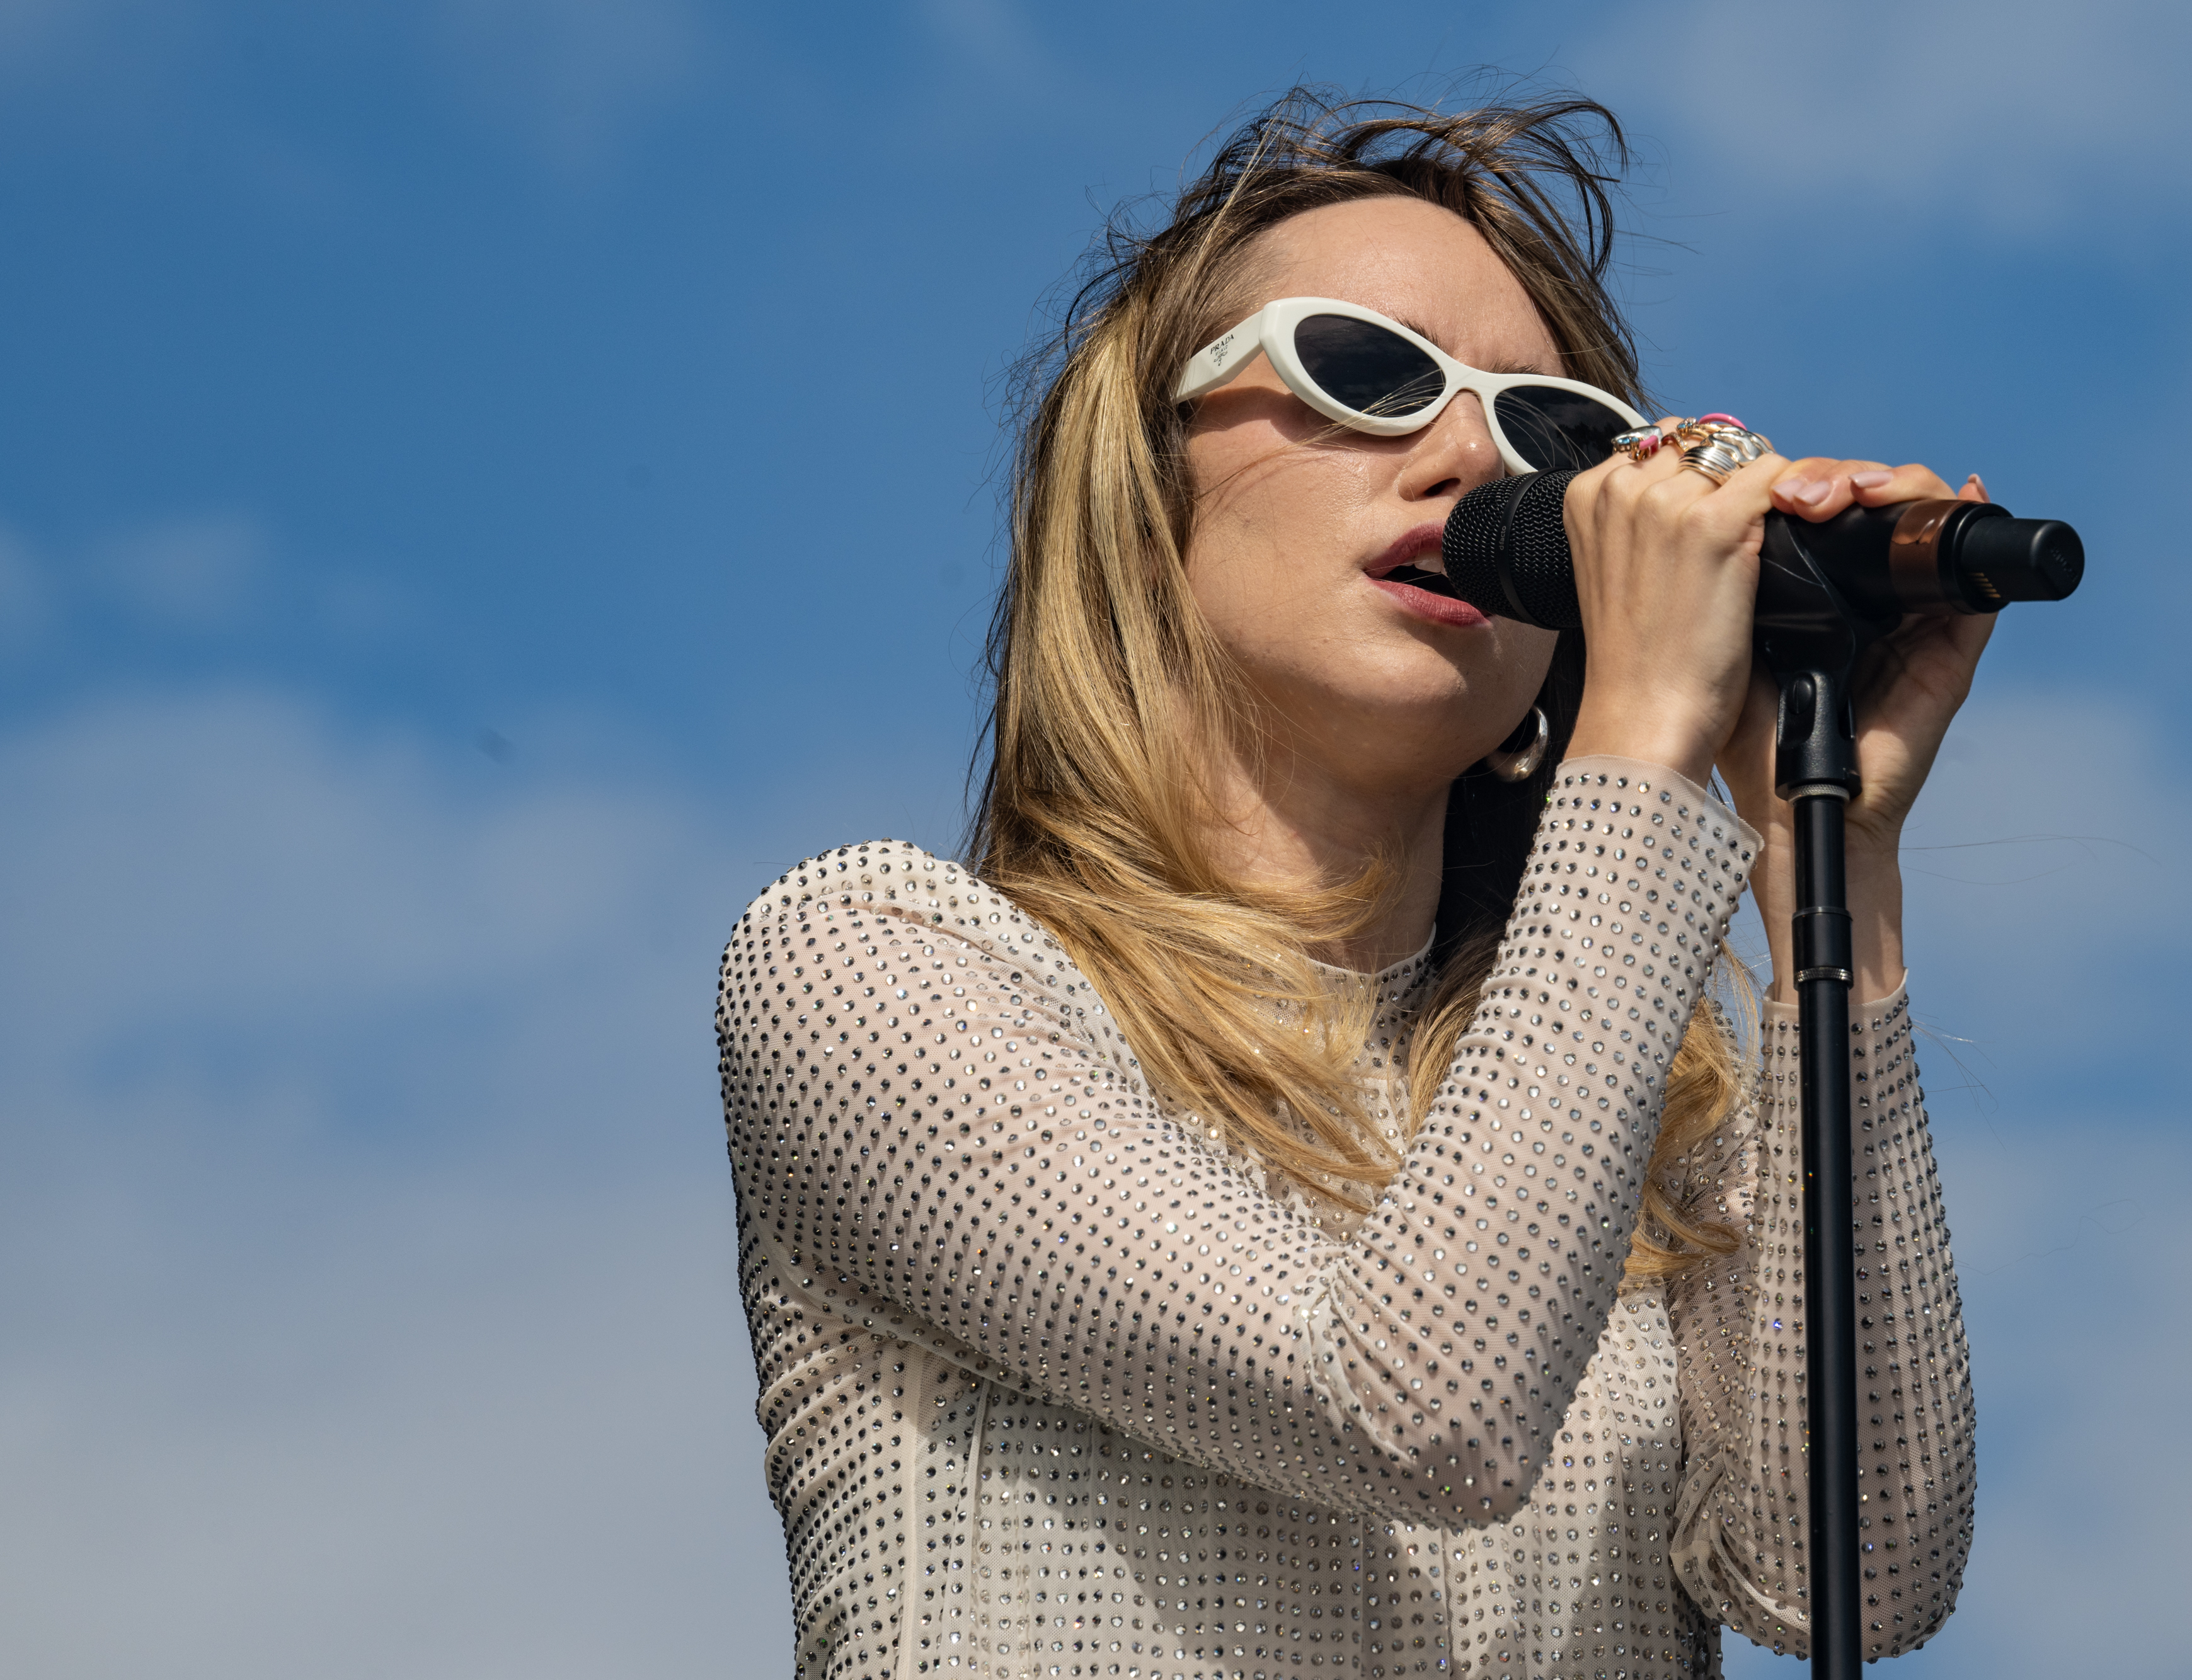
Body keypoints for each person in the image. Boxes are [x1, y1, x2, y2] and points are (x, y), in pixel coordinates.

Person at [716, 88, 1980, 1680]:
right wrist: (1643, 739)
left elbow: (1848, 1573)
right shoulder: (873, 967)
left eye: (1551, 432)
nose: (1466, 455)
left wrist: (1823, 848)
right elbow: (1417, 1404)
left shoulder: (1630, 1109)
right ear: (1145, 482)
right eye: (1366, 373)